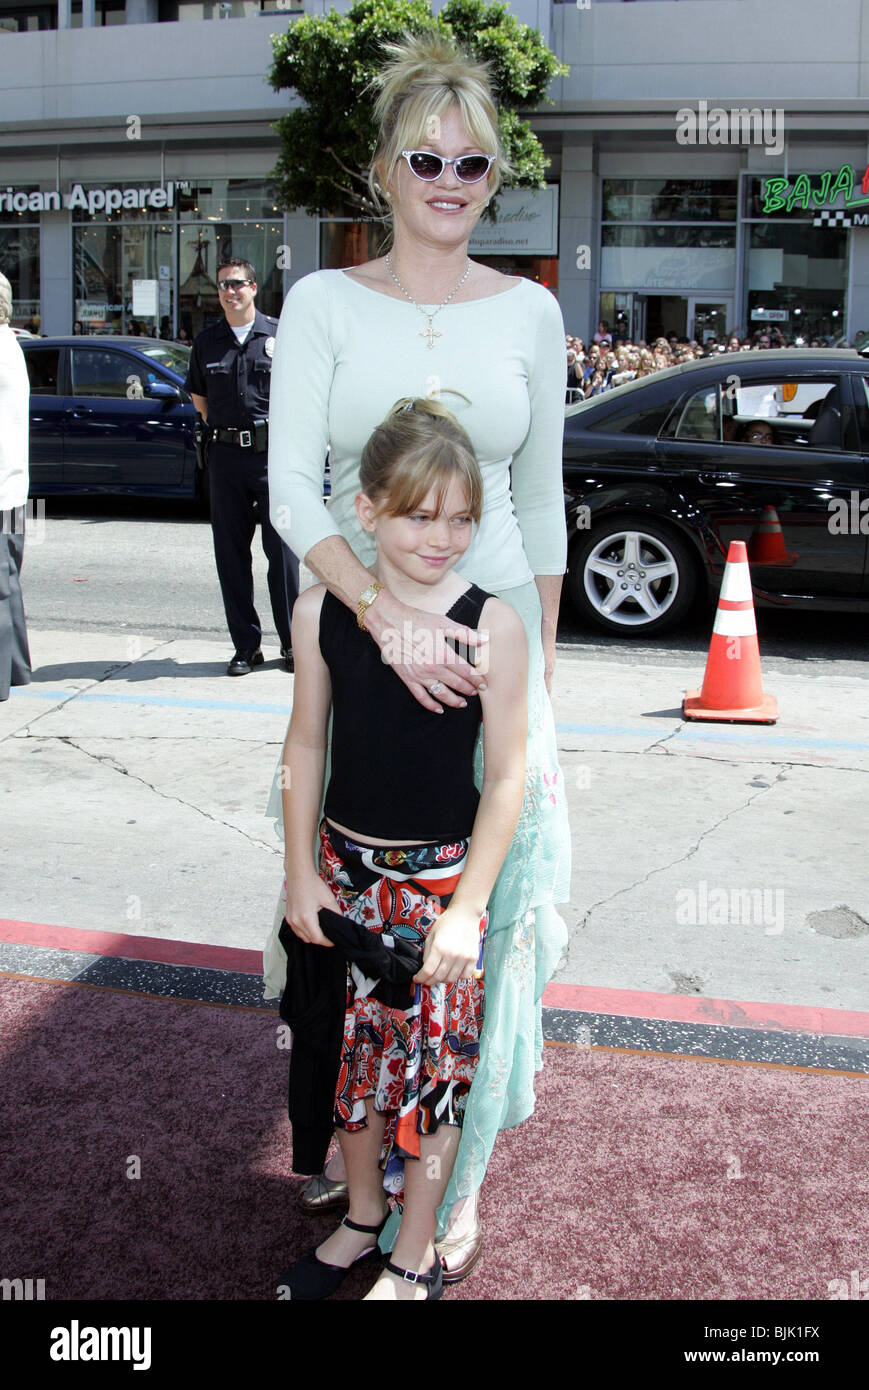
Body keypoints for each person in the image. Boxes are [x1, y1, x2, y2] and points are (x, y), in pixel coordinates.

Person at [265, 29, 570, 1281]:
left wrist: (536, 686)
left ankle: (448, 1186)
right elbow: (292, 490)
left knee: (483, 928)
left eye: (475, 163)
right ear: (382, 169)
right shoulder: (321, 302)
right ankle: (352, 1174)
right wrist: (378, 615)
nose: (450, 179)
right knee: (344, 904)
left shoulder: (535, 310)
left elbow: (542, 502)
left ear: (496, 179)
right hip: (354, 613)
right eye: (425, 157)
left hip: (487, 641)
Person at [277, 396, 527, 1300]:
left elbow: (505, 778)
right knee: (352, 1053)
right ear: (367, 509)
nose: (442, 536)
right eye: (420, 514)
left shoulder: (492, 624)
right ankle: (360, 1215)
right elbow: (306, 744)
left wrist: (466, 908)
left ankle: (415, 1244)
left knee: (435, 1072)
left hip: (440, 887)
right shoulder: (319, 613)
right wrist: (301, 873)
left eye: (461, 518)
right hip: (344, 876)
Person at [186, 259, 299, 676]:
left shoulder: (279, 335)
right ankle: (246, 647)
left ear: (253, 287)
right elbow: (200, 400)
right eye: (222, 286)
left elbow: (300, 392)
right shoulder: (207, 342)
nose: (230, 292)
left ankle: (291, 643)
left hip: (273, 458)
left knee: (282, 554)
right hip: (226, 458)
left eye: (237, 284)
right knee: (231, 556)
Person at [0, 273, 32, 702]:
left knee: (2, 584)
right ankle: (17, 667)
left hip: (3, 486)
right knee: (8, 581)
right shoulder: (13, 345)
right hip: (12, 486)